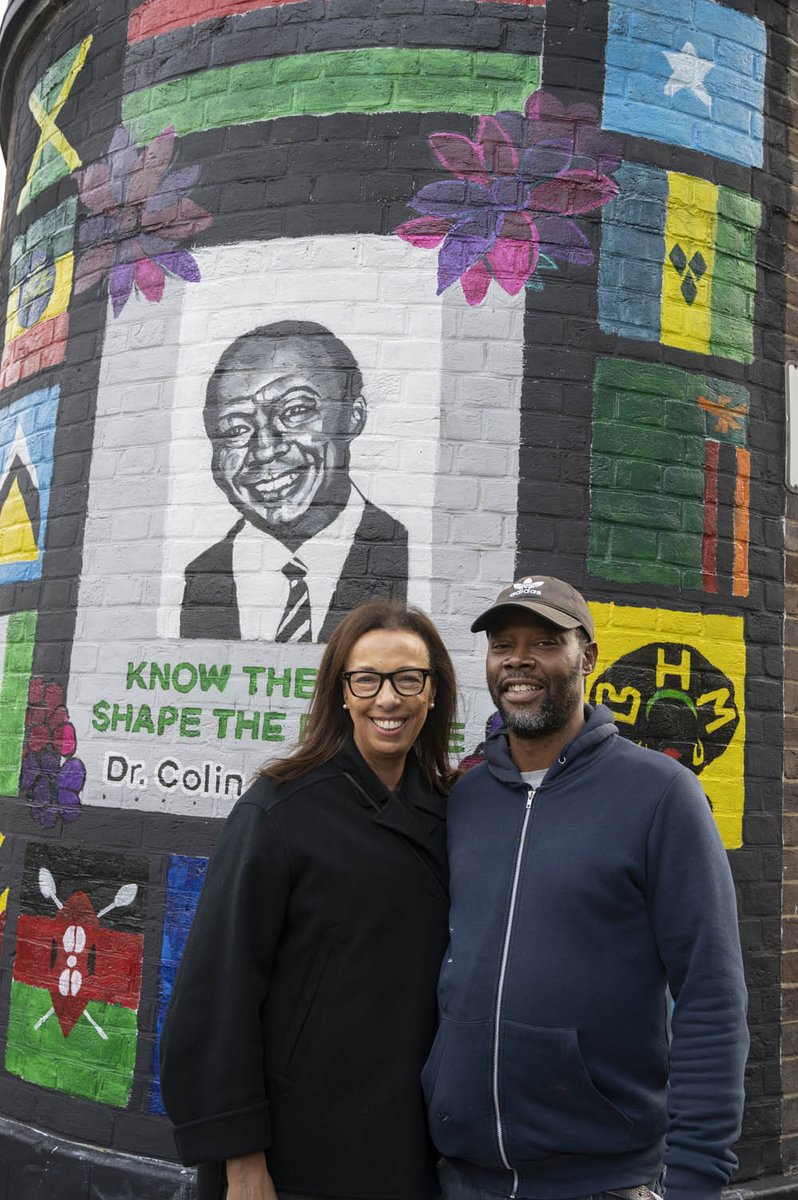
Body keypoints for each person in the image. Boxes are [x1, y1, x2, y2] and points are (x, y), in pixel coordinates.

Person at [424, 574, 749, 1200]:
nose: (519, 659)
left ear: (588, 658)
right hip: (459, 1176)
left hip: (601, 1181)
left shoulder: (660, 795)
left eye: (545, 641)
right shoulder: (465, 798)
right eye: (502, 644)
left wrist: (695, 1179)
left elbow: (711, 995)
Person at [160, 598, 456, 1200]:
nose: (388, 698)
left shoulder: (452, 811)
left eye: (408, 678)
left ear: (432, 692)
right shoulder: (279, 809)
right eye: (366, 678)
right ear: (341, 692)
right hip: (296, 1155)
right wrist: (241, 1159)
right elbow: (218, 989)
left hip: (411, 1145)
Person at [181, 321, 408, 642]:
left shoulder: (407, 554)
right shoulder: (202, 576)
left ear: (353, 416)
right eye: (235, 430)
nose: (265, 449)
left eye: (295, 410)